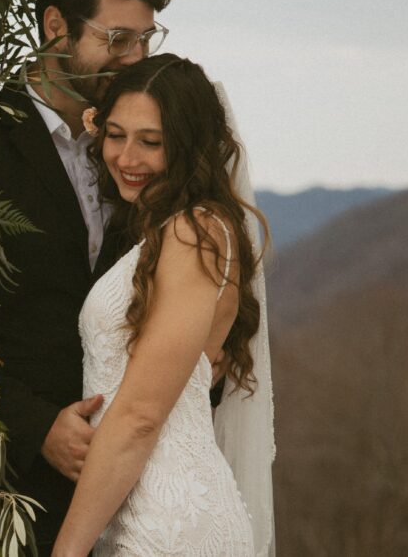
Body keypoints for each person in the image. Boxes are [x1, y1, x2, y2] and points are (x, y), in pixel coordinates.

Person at [0, 0, 175, 551]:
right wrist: (34, 426)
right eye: (116, 39)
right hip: (1, 497)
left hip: (139, 490)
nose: (134, 58)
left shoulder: (140, 150)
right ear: (55, 27)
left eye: (146, 39)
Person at [51, 54, 275, 556]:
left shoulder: (194, 233)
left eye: (150, 142)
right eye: (115, 135)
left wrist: (66, 552)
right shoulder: (161, 234)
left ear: (188, 146)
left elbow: (140, 416)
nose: (127, 157)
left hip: (167, 523)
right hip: (133, 509)